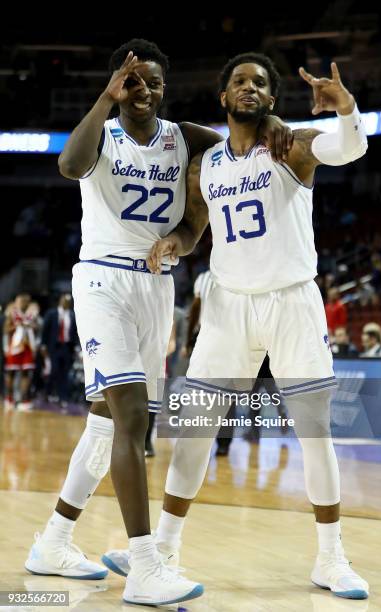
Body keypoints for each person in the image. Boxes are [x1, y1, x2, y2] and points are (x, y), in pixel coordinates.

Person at [24, 39, 291, 607]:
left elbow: (232, 145)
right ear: (118, 85)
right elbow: (69, 165)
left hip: (156, 287)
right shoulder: (102, 134)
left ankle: (53, 541)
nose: (142, 90)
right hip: (103, 281)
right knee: (128, 422)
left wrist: (268, 123)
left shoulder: (183, 137)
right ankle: (144, 564)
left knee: (106, 424)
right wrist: (104, 97)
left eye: (151, 82)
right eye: (132, 81)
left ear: (165, 89)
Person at [114, 53, 369, 600]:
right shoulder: (205, 164)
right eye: (238, 81)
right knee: (193, 431)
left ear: (272, 100)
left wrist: (346, 109)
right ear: (224, 97)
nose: (248, 87)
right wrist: (174, 246)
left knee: (314, 431)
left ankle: (331, 557)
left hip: (292, 300)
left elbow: (348, 148)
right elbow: (192, 227)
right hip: (228, 306)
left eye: (259, 83)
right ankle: (164, 548)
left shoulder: (289, 146)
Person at [3, 293, 39, 411]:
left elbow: (37, 329)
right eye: (21, 301)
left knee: (26, 373)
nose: (23, 303)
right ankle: (9, 398)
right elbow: (5, 330)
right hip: (15, 347)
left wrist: (32, 326)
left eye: (25, 301)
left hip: (28, 346)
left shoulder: (31, 315)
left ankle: (24, 399)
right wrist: (17, 326)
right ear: (17, 302)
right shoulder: (12, 314)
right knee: (11, 373)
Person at [41, 294, 78, 406]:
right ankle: (48, 393)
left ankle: (63, 398)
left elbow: (74, 332)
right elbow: (45, 329)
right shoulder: (52, 313)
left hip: (67, 347)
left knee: (65, 373)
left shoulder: (72, 315)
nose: (66, 303)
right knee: (54, 371)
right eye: (64, 300)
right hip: (54, 347)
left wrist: (76, 346)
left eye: (68, 301)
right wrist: (43, 345)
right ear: (60, 301)